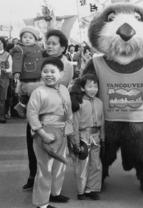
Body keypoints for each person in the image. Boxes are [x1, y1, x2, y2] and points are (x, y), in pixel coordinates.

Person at [22, 29, 73, 191]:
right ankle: (34, 178)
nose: (49, 46)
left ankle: (52, 190)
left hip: (54, 120)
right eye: (48, 42)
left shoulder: (66, 64)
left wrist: (28, 87)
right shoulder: (41, 58)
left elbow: (58, 84)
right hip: (36, 114)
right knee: (33, 149)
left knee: (54, 156)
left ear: (63, 47)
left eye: (54, 43)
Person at [27, 57, 73, 208]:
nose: (48, 74)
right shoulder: (38, 92)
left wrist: (69, 132)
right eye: (45, 71)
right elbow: (32, 115)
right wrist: (42, 134)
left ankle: (55, 193)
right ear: (41, 73)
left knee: (59, 166)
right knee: (45, 169)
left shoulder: (64, 89)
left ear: (60, 73)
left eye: (52, 71)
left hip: (62, 133)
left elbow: (69, 112)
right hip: (45, 134)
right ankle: (42, 203)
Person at [69, 73, 104, 200]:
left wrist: (103, 137)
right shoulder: (79, 103)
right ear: (83, 88)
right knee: (82, 165)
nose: (93, 89)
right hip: (83, 136)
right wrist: (76, 142)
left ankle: (92, 189)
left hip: (96, 136)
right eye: (90, 86)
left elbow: (103, 121)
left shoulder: (100, 102)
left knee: (96, 164)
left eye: (95, 86)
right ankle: (81, 191)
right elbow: (75, 124)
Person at [10, 26, 43, 118]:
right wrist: (17, 72)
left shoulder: (38, 47)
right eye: (25, 37)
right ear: (21, 38)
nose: (27, 39)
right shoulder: (20, 48)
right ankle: (21, 106)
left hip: (38, 75)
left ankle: (25, 107)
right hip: (26, 75)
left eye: (30, 38)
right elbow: (17, 61)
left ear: (35, 39)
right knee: (26, 92)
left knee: (35, 94)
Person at [0, 37, 12, 123]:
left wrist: (4, 70)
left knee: (2, 99)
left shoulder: (8, 55)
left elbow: (10, 69)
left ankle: (1, 116)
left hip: (3, 79)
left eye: (0, 43)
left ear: (3, 44)